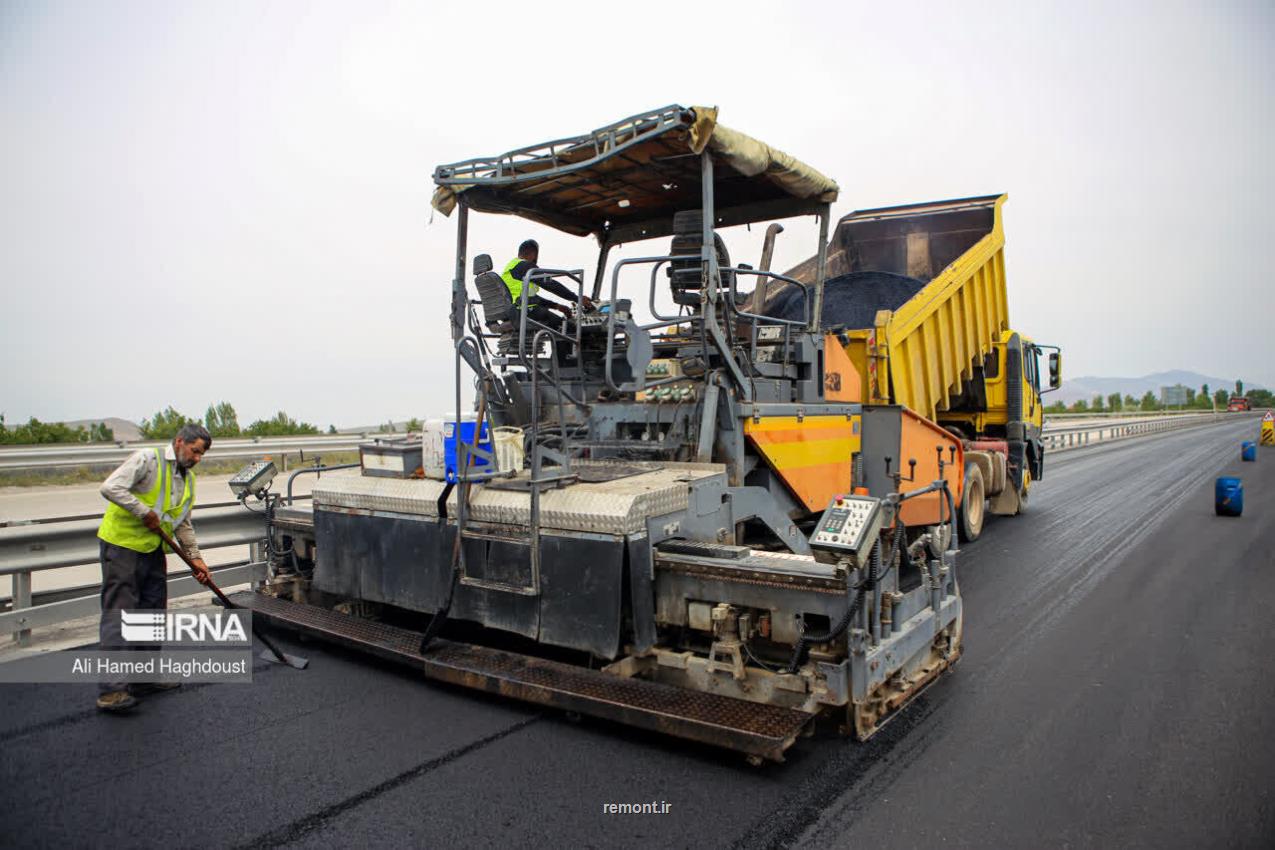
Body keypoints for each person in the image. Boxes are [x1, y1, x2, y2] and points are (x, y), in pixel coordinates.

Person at [94, 423, 213, 712]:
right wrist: (143, 512)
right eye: (195, 451)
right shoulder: (148, 459)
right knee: (120, 617)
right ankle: (111, 691)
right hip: (123, 547)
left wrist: (195, 558)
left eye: (202, 455)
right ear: (179, 442)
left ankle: (143, 679)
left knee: (151, 615)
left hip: (153, 552)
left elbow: (182, 522)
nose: (197, 458)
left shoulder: (189, 481)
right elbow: (110, 487)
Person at [501, 239, 595, 324]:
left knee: (558, 323)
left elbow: (531, 298)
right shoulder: (526, 266)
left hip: (513, 310)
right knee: (566, 327)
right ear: (534, 254)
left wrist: (557, 306)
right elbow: (550, 284)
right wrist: (576, 298)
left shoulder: (511, 267)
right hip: (521, 310)